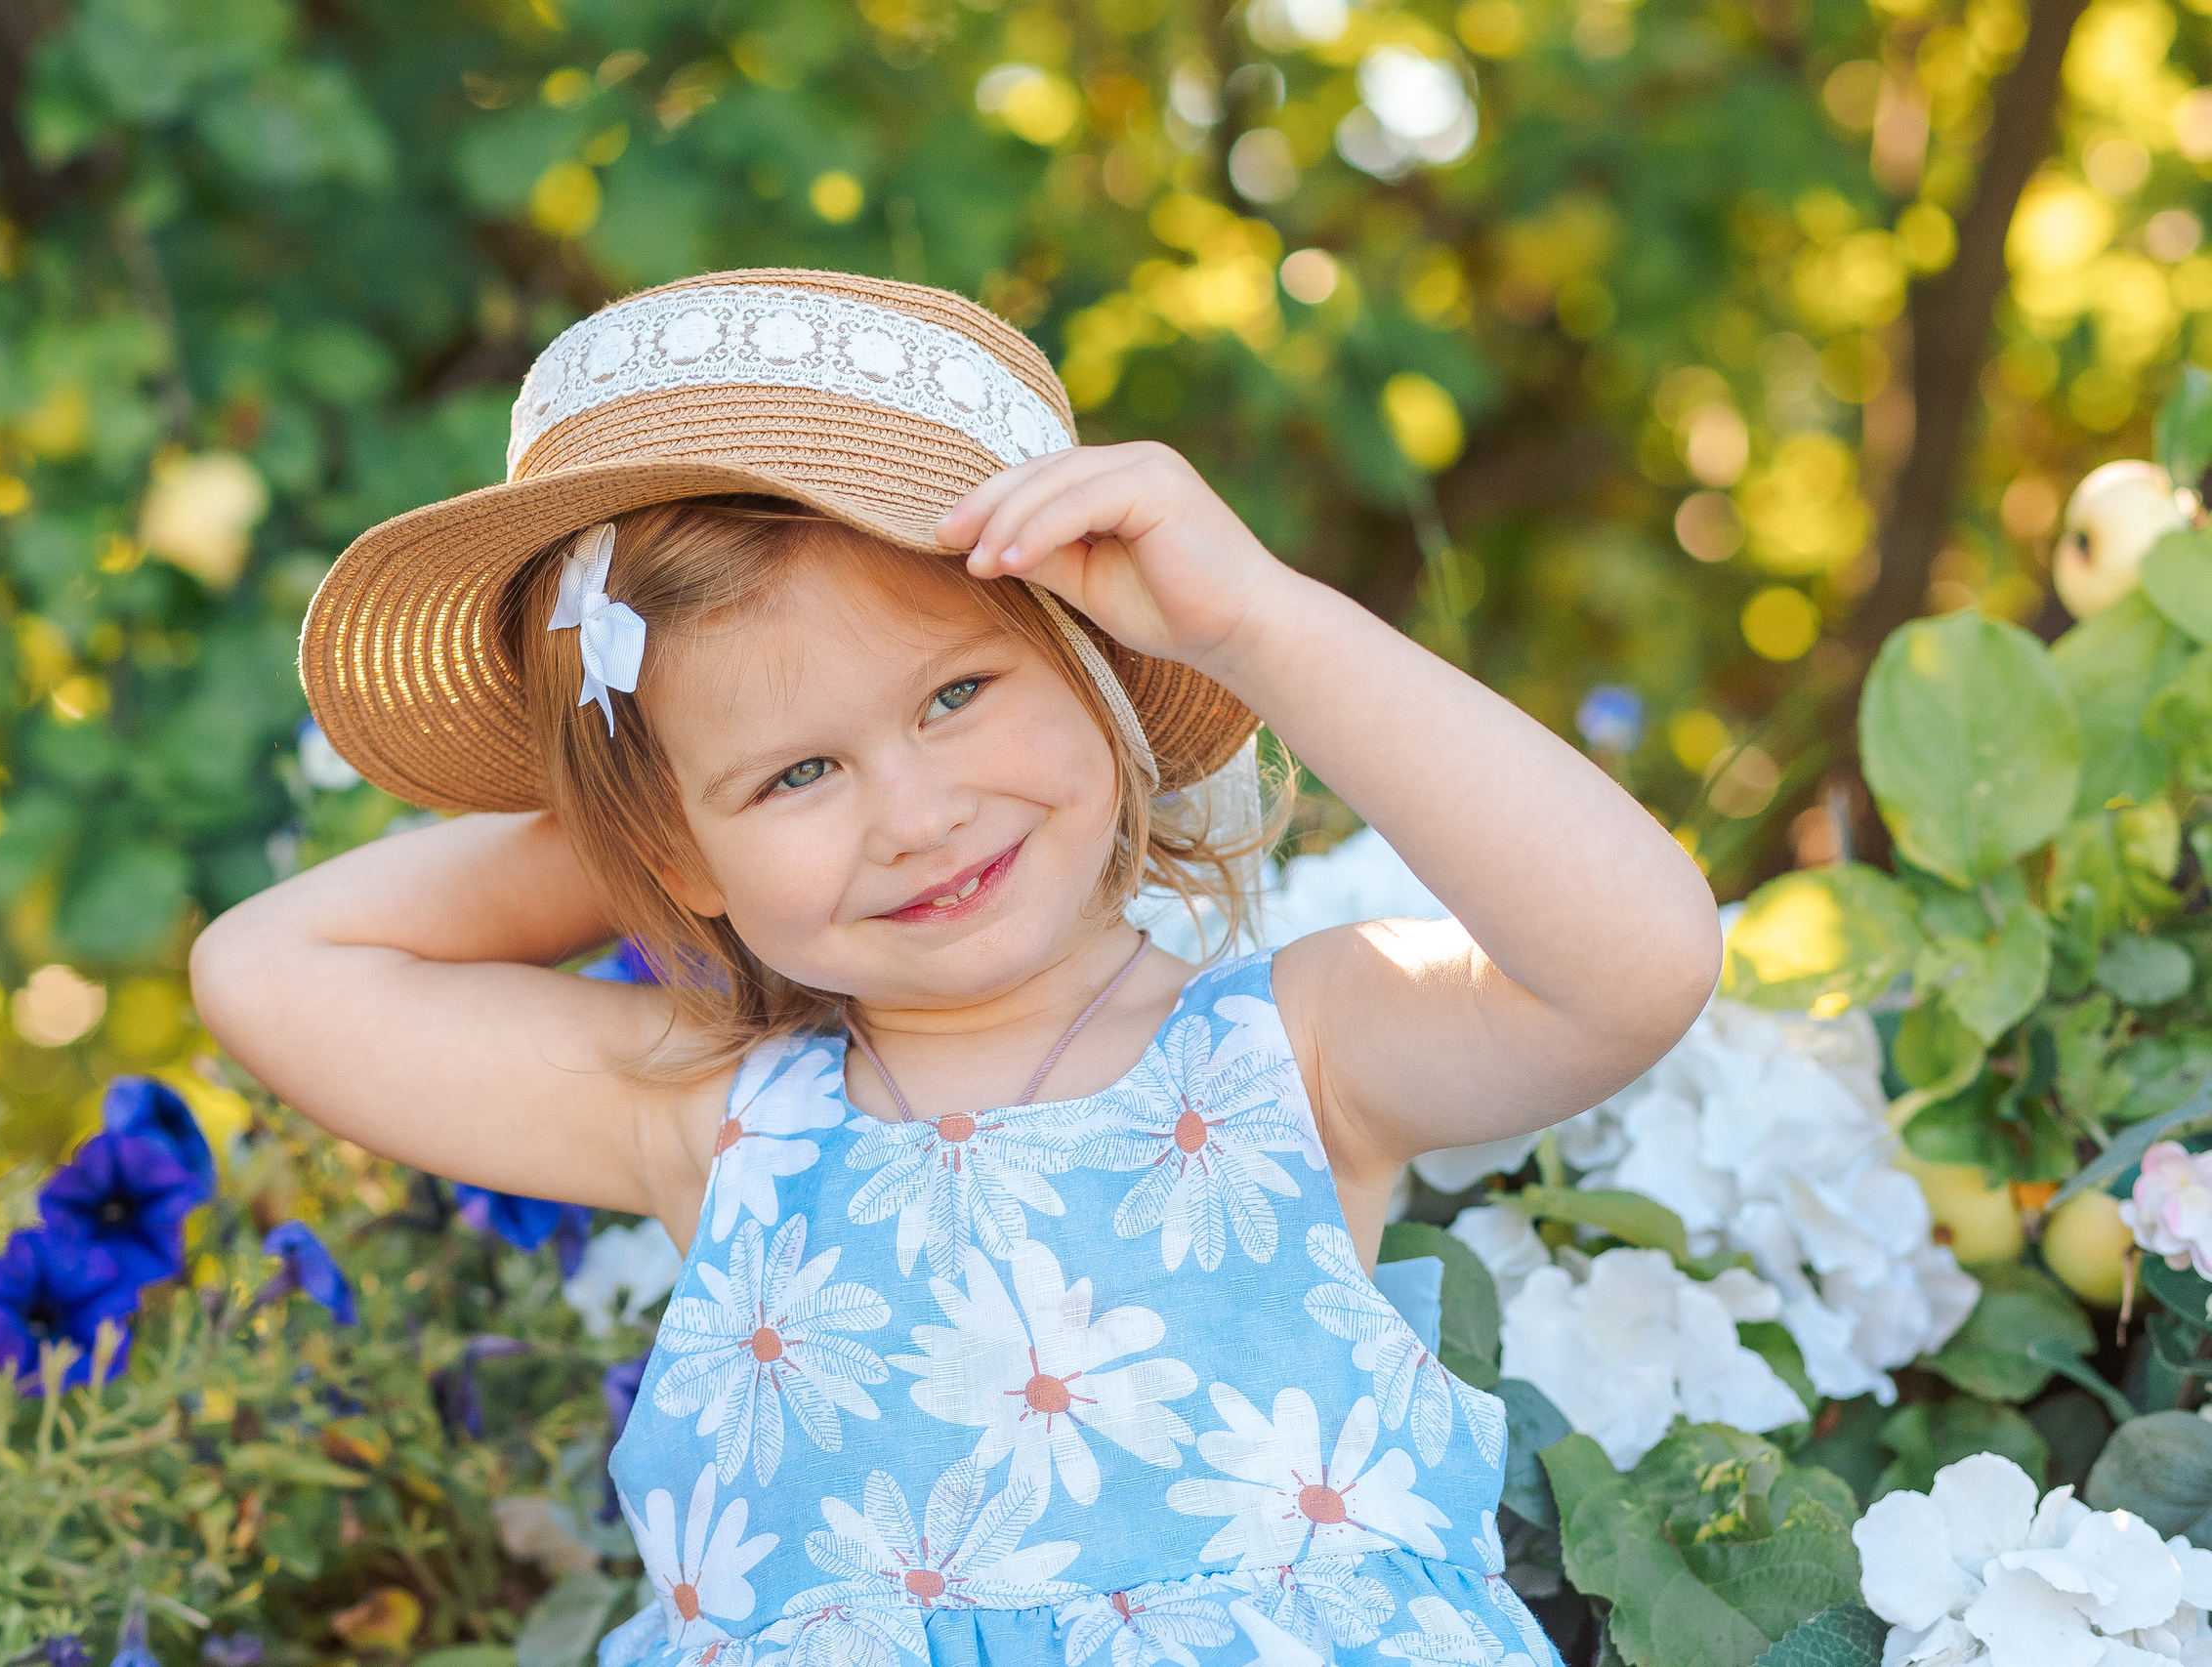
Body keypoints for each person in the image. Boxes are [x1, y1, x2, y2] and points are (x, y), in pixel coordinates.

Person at [192, 269, 1721, 1666]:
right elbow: (273, 971)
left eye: (958, 693)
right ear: (678, 856)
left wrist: (1254, 623)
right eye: (802, 775)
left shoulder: (1296, 1050)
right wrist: (648, 806)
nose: (916, 818)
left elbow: (1635, 964)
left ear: (1096, 663)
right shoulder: (720, 1118)